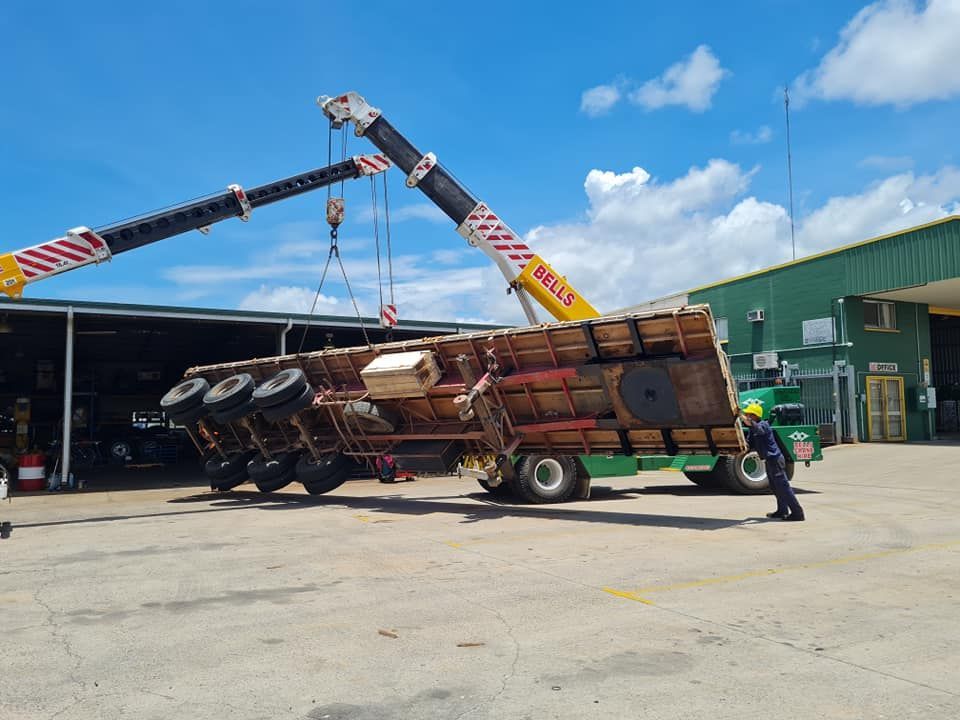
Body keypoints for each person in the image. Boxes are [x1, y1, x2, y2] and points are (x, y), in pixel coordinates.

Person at [741, 403, 805, 521]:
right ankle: (782, 511)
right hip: (769, 460)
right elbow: (750, 444)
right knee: (775, 487)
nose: (745, 416)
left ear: (754, 416)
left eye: (748, 414)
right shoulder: (752, 430)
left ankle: (798, 513)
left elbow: (759, 430)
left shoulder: (763, 425)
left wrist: (743, 417)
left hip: (775, 459)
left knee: (783, 487)